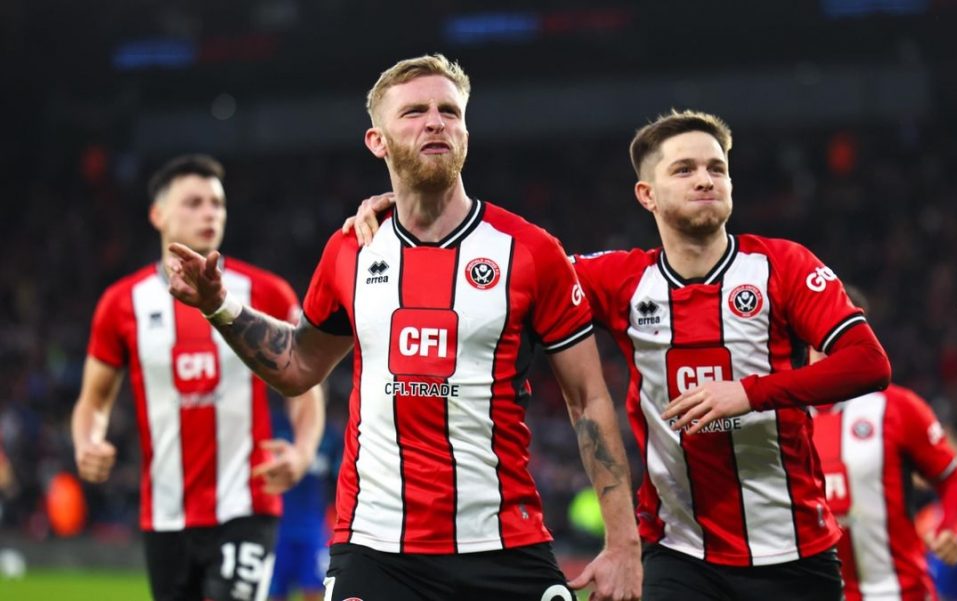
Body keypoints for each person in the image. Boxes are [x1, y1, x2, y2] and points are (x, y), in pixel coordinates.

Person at [346, 109, 893, 600]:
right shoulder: (621, 279)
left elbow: (868, 363)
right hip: (679, 553)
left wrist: (748, 392)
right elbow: (517, 262)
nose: (705, 178)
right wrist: (411, 212)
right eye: (683, 169)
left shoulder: (783, 266)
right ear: (647, 195)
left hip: (796, 551)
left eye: (716, 168)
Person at [167, 55, 642, 601]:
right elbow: (298, 366)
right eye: (414, 112)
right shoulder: (351, 249)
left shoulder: (530, 252)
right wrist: (219, 305)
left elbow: (588, 399)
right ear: (378, 141)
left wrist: (623, 545)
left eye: (449, 111)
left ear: (466, 131)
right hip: (375, 550)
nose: (435, 121)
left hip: (503, 544)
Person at [71, 154, 325, 601]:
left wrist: (303, 452)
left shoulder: (265, 292)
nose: (210, 212)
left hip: (247, 505)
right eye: (193, 202)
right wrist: (87, 441)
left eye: (217, 203)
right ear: (158, 214)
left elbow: (305, 384)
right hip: (165, 515)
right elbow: (94, 400)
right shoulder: (120, 304)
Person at [810, 287, 957, 601]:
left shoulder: (898, 409)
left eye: (842, 331)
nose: (827, 342)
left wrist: (950, 527)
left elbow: (955, 481)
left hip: (900, 593)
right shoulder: (782, 420)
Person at [268, 403, 342, 601]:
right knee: (274, 593)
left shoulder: (330, 435)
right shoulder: (272, 426)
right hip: (277, 528)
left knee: (315, 591)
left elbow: (340, 483)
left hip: (314, 529)